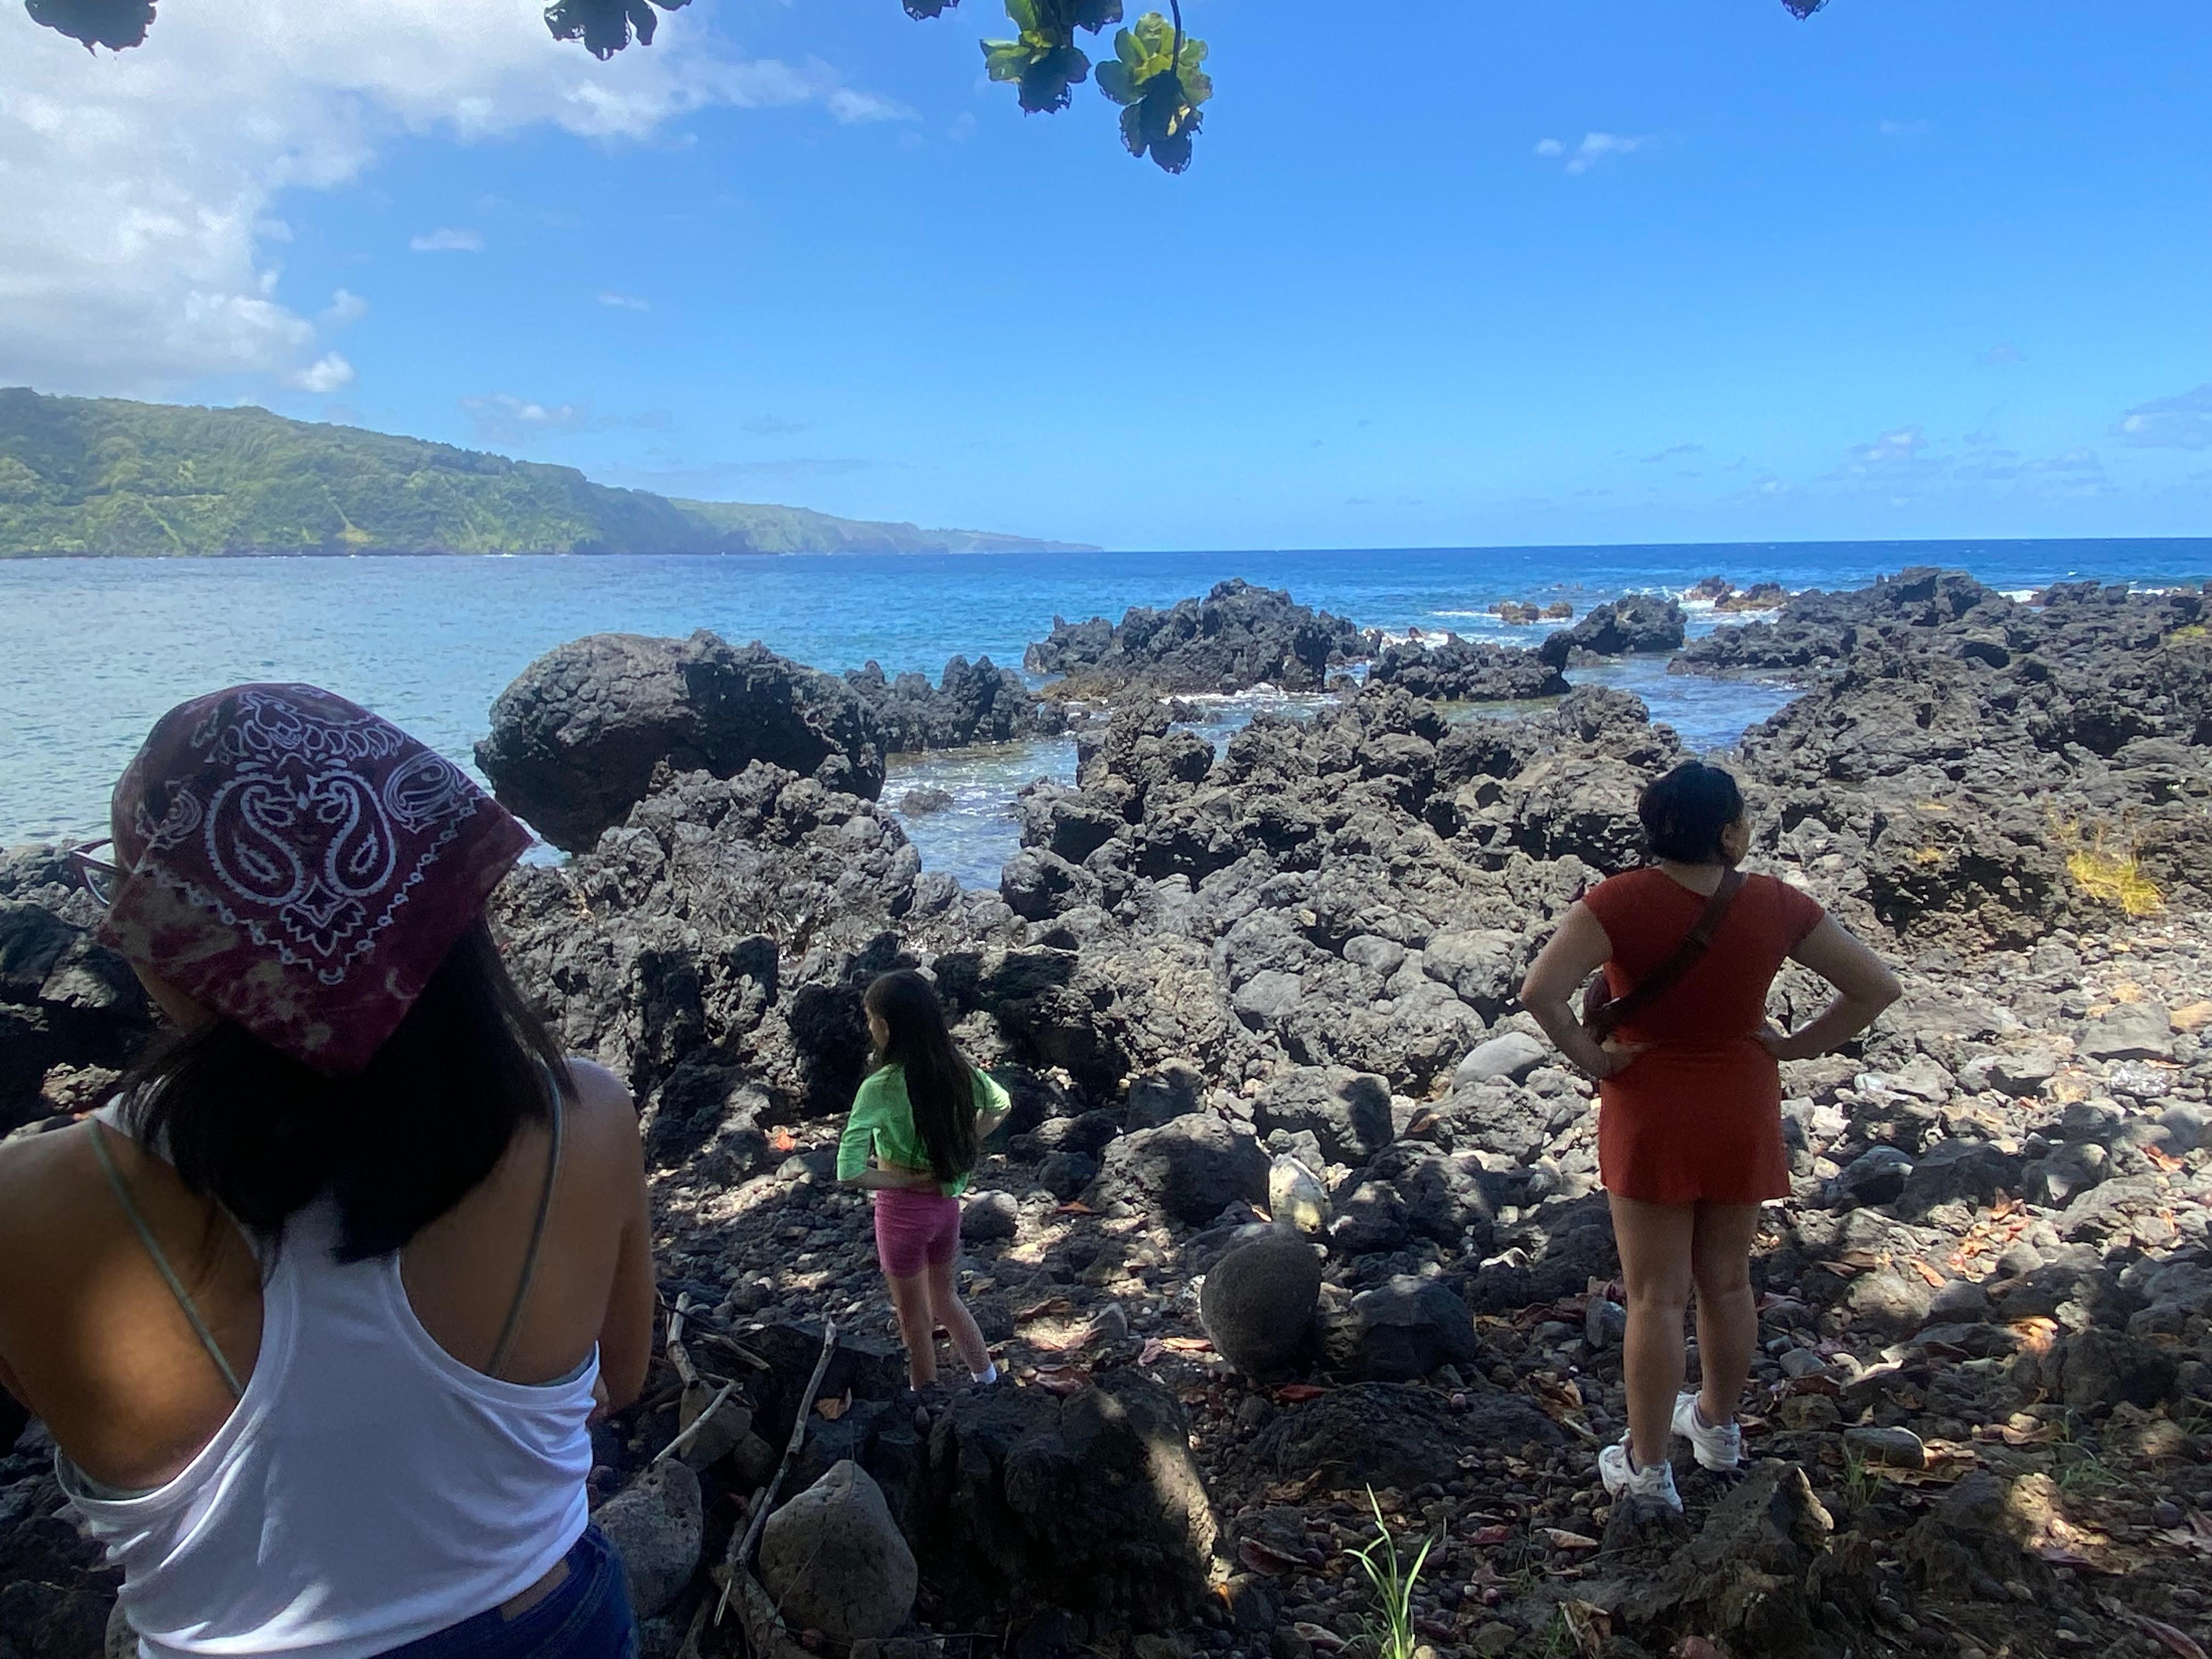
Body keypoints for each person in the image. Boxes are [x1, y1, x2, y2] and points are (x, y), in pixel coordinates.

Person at [0, 684, 657, 1659]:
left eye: (120, 892)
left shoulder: (28, 1207)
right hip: (549, 1620)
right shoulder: (585, 1121)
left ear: (185, 940)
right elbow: (621, 1377)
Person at [1520, 760, 1899, 1511]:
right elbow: (1875, 987)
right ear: (1729, 832)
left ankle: (1647, 1468)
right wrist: (1797, 1047)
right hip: (1740, 1101)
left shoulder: (1618, 900)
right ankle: (1719, 1429)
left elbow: (1541, 993)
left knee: (1655, 1298)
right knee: (1727, 1282)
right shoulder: (1775, 902)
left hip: (1651, 1103)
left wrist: (1597, 1060)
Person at [837, 969, 1012, 1388]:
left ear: (885, 1026)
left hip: (902, 1217)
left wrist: (901, 1182)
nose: (869, 1027)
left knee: (913, 1319)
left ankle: (925, 1398)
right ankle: (989, 1381)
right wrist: (965, 1145)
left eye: (870, 1019)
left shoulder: (879, 1087)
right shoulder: (955, 1068)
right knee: (946, 1299)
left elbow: (848, 1170)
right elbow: (1001, 1103)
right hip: (946, 1206)